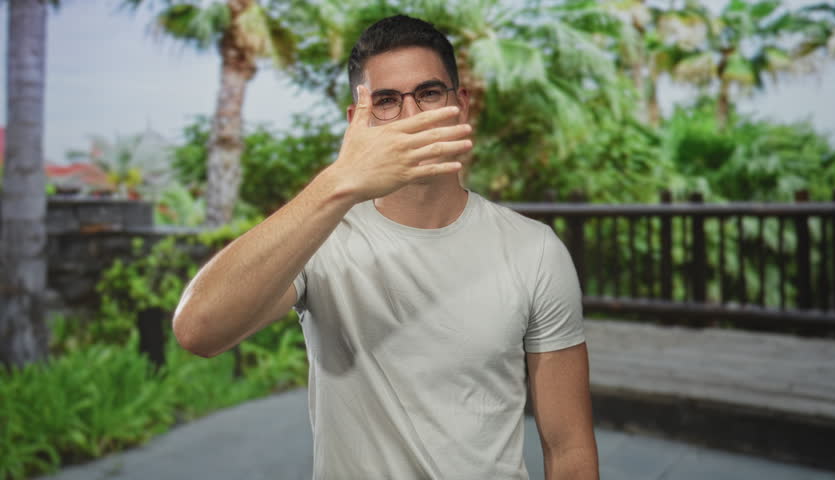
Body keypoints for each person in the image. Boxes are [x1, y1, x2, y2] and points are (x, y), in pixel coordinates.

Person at [173, 14, 598, 480]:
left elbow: (570, 447)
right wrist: (340, 181)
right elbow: (199, 330)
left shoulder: (532, 249)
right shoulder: (323, 237)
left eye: (429, 93)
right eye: (388, 101)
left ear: (462, 105)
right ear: (359, 121)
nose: (412, 117)